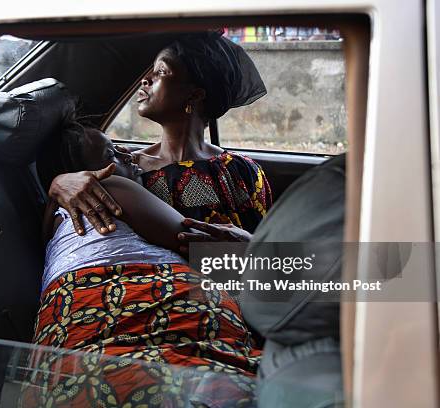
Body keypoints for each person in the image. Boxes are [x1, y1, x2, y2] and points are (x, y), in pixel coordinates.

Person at [29, 125, 261, 407]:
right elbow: (201, 246)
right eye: (110, 153)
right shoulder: (111, 188)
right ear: (88, 174)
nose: (127, 154)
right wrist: (252, 245)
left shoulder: (54, 218)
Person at [47, 31, 272, 254]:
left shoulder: (242, 171)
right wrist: (59, 182)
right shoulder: (122, 168)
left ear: (195, 95)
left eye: (161, 72)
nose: (146, 79)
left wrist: (250, 244)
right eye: (150, 71)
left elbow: (276, 261)